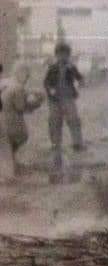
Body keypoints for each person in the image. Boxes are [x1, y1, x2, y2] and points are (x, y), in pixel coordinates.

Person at [45, 42, 85, 181]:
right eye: (60, 54)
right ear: (56, 55)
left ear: (68, 55)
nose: (62, 57)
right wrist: (50, 91)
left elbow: (80, 79)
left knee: (74, 120)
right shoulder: (52, 68)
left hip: (68, 98)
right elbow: (46, 82)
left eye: (65, 54)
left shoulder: (71, 67)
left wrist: (79, 84)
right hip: (55, 100)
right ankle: (55, 144)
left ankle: (77, 142)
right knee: (54, 122)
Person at [1, 63, 44, 177]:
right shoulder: (18, 87)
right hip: (9, 122)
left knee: (6, 143)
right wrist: (37, 102)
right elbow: (21, 107)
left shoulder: (4, 82)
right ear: (21, 73)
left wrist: (29, 92)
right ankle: (10, 165)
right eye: (27, 76)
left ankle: (10, 161)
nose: (27, 79)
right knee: (21, 136)